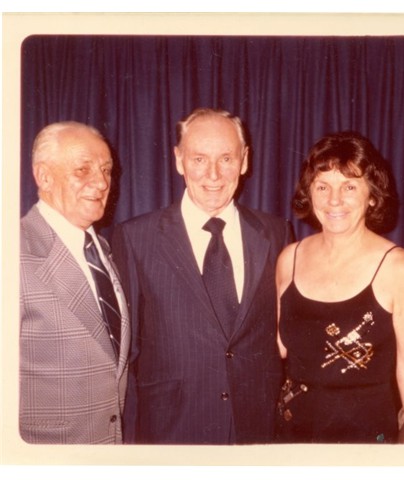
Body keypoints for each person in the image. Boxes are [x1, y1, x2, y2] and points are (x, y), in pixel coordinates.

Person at [111, 108, 292, 444]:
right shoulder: (135, 238)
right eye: (199, 159)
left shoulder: (276, 233)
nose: (213, 174)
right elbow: (128, 353)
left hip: (256, 433)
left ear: (245, 161)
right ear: (179, 160)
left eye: (226, 158)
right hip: (171, 432)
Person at [275, 131, 404, 444]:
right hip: (291, 437)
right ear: (310, 192)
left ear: (372, 195)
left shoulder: (398, 267)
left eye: (349, 186)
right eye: (323, 186)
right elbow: (280, 349)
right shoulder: (289, 258)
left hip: (365, 443)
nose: (334, 200)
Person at [20, 121, 130, 444]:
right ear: (44, 176)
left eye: (107, 170)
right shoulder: (13, 251)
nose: (101, 182)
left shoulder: (103, 250)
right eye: (83, 170)